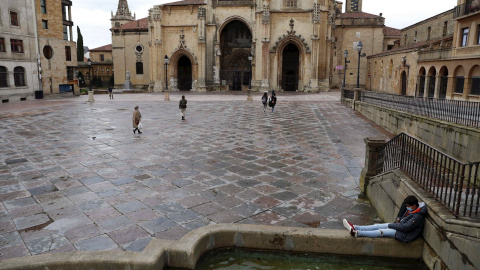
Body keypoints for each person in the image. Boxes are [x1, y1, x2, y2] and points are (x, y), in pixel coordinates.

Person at [343, 195, 428, 243]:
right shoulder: (415, 210)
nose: (407, 208)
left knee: (381, 232)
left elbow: (406, 228)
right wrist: (399, 219)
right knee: (378, 225)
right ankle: (356, 227)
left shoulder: (418, 216)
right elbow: (405, 220)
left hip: (404, 235)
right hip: (401, 228)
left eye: (408, 207)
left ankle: (358, 233)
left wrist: (392, 225)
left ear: (413, 206)